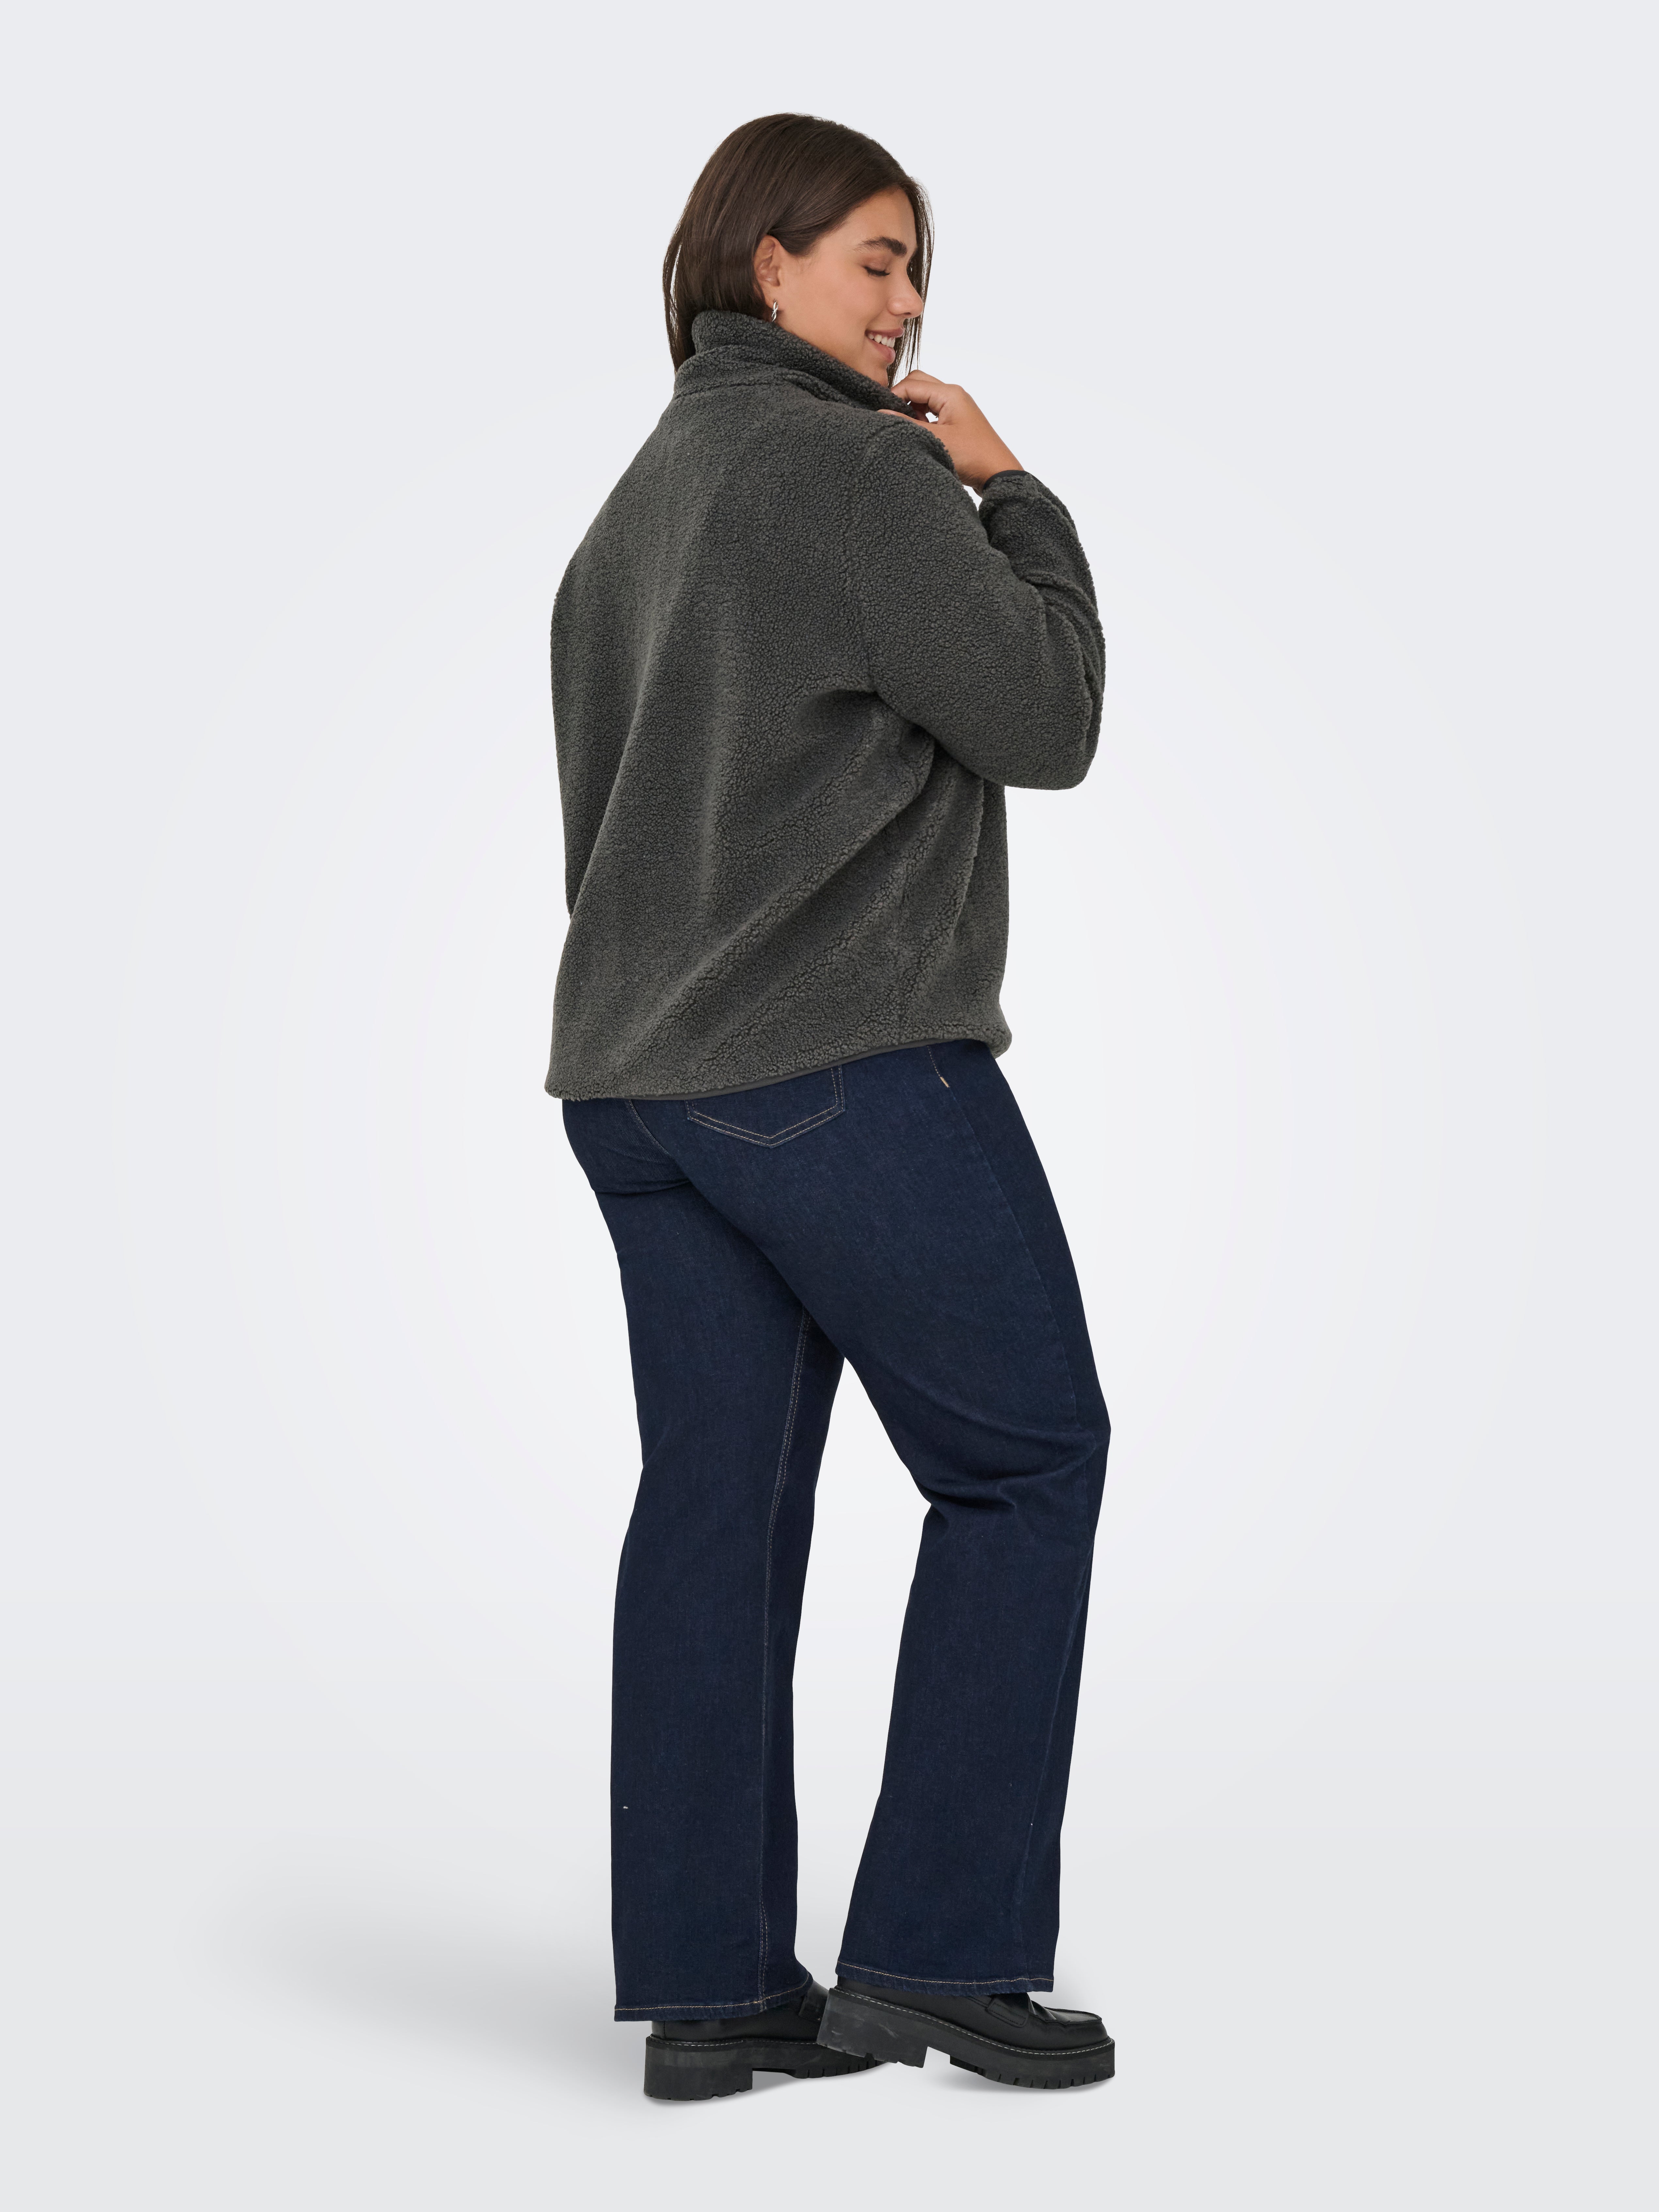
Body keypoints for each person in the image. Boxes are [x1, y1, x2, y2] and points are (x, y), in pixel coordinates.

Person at [548, 112, 1114, 2099]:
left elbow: (608, 824)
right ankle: (941, 1954)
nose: (906, 305)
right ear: (762, 263)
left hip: (639, 1088)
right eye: (876, 259)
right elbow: (1048, 716)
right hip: (831, 1061)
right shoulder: (858, 472)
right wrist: (1013, 492)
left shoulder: (634, 511)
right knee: (1029, 1454)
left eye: (917, 271)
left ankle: (711, 1992)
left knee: (715, 1511)